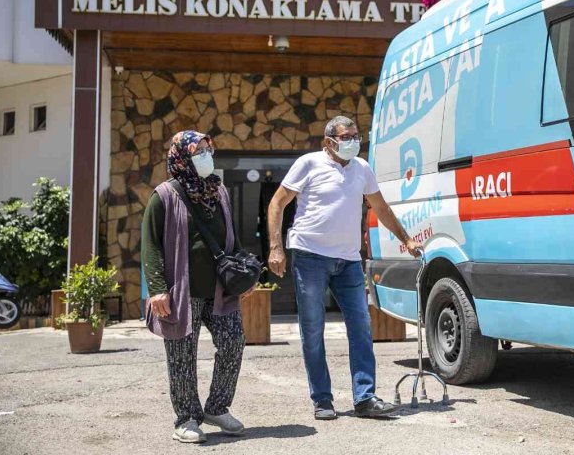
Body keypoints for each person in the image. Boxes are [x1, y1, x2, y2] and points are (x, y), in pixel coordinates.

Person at [267, 115, 421, 420]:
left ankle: (365, 398)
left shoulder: (362, 168)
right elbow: (277, 203)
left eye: (355, 136)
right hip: (310, 256)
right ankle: (322, 399)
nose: (353, 141)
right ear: (329, 142)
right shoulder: (308, 164)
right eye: (346, 137)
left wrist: (407, 239)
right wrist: (275, 247)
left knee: (361, 328)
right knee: (313, 330)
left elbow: (381, 208)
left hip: (349, 260)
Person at [142, 130, 253, 443]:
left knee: (233, 342)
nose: (207, 155)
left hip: (220, 289)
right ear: (182, 157)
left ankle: (217, 407)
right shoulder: (163, 195)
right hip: (181, 292)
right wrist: (157, 289)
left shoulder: (218, 192)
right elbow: (149, 244)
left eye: (208, 149)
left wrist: (243, 275)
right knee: (181, 357)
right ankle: (187, 419)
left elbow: (231, 235)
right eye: (199, 151)